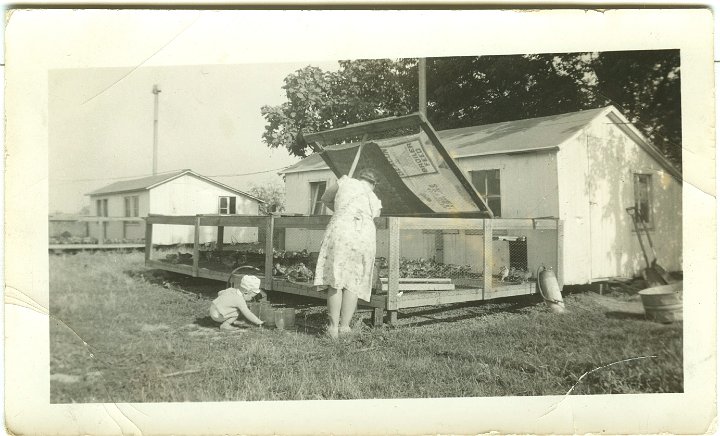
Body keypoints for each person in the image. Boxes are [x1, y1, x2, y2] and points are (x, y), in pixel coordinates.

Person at [314, 167, 382, 338]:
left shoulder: (345, 181)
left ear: (359, 178)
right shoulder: (375, 199)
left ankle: (332, 328)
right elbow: (375, 216)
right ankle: (345, 327)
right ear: (373, 184)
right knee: (354, 280)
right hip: (364, 235)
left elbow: (324, 199)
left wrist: (340, 207)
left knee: (335, 279)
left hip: (342, 230)